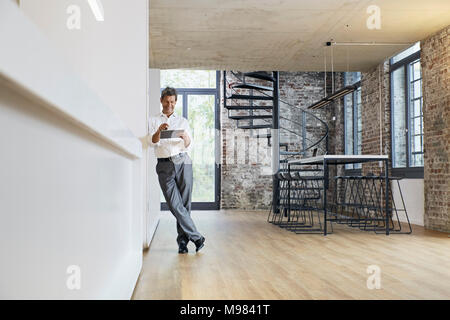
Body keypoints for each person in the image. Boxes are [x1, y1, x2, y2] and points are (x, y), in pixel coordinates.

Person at [147, 87, 205, 254]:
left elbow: (189, 144)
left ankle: (183, 243)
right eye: (167, 101)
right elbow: (152, 142)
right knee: (174, 204)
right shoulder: (153, 120)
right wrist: (159, 131)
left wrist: (186, 139)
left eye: (172, 102)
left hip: (183, 162)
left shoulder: (183, 121)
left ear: (175, 102)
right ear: (161, 101)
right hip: (164, 166)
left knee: (185, 205)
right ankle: (197, 237)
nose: (169, 105)